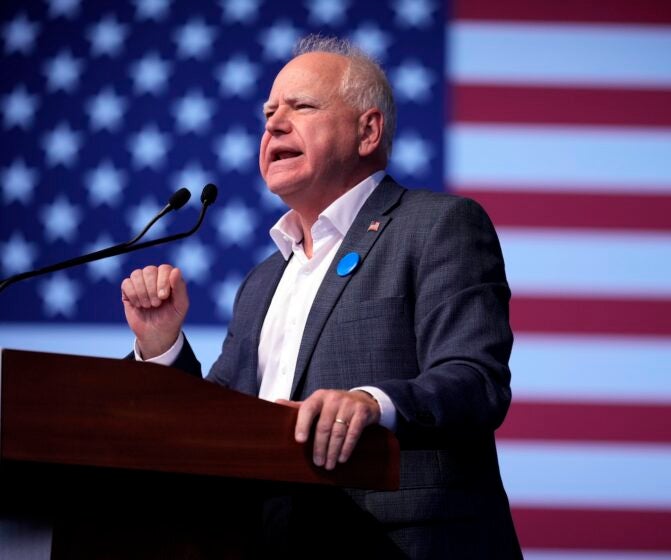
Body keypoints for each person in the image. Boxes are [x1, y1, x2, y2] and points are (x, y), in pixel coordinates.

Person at [120, 35, 522, 558]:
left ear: (368, 130)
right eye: (268, 112)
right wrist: (162, 347)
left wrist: (370, 403)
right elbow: (218, 419)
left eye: (301, 106)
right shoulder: (263, 280)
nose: (274, 124)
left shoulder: (435, 227)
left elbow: (476, 380)